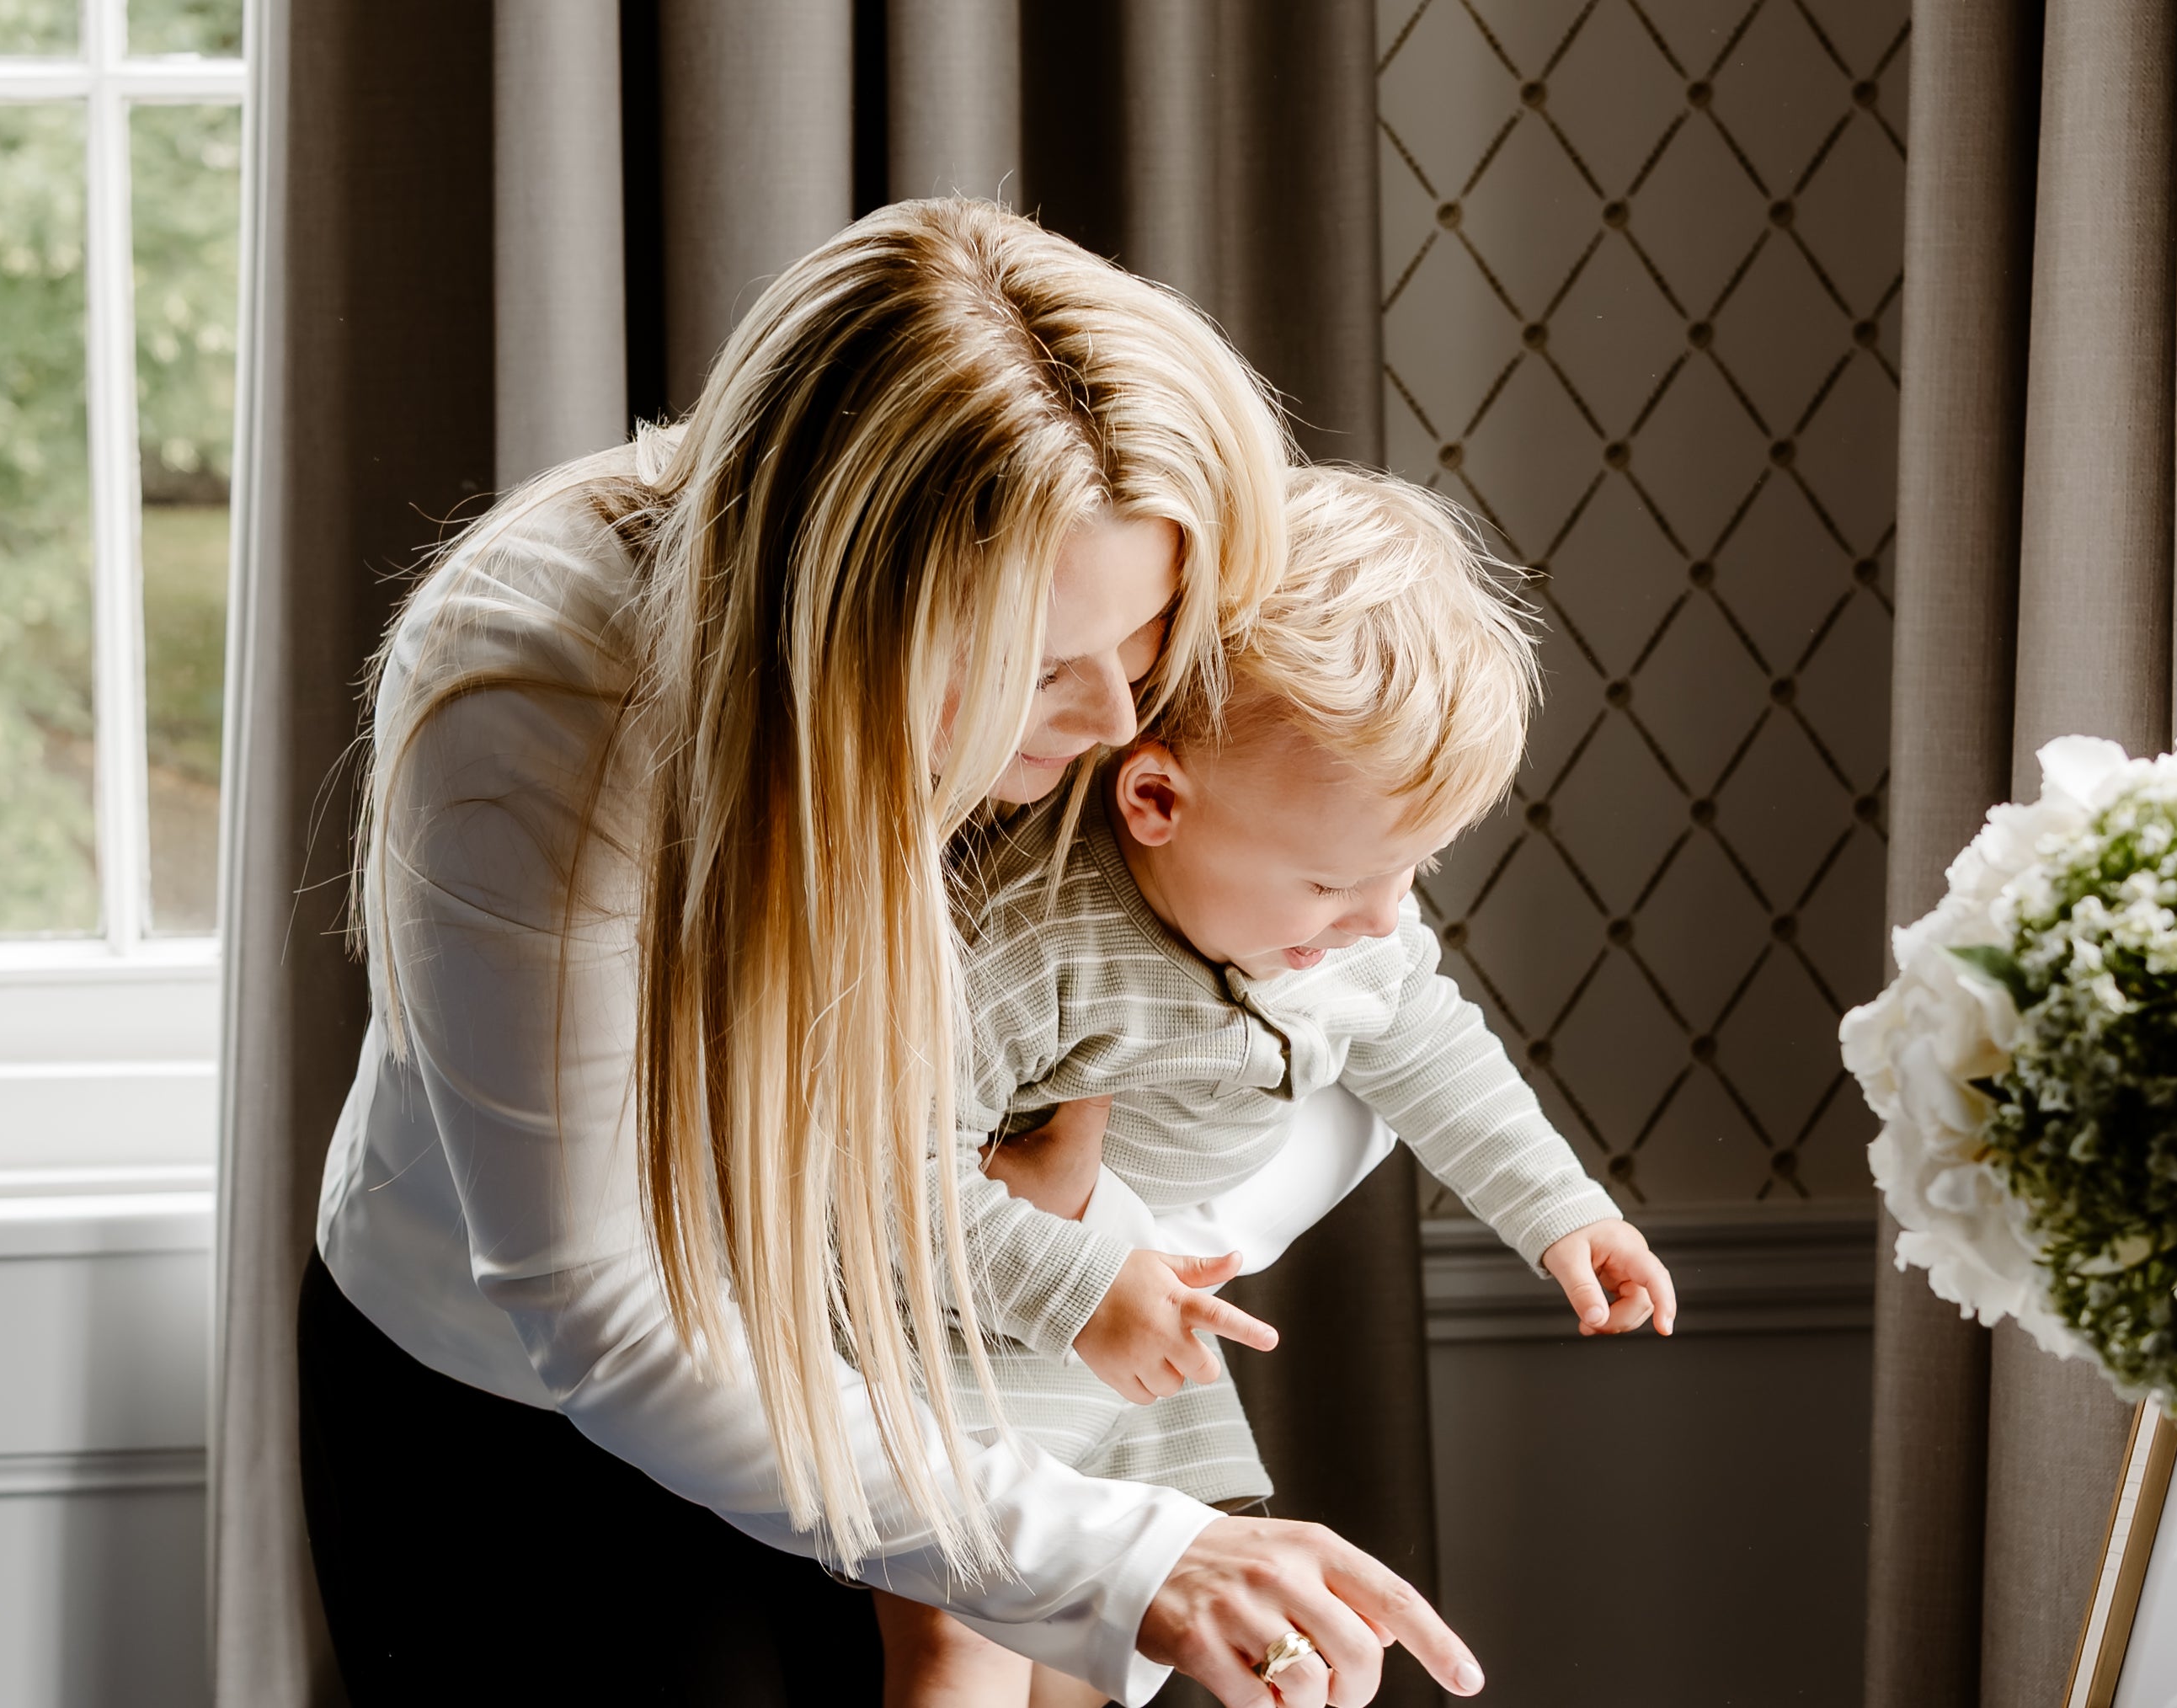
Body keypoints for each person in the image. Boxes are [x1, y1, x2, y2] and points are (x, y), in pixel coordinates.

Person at [295, 198, 1488, 1707]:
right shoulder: (540, 710)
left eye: (1147, 646)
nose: (1121, 725)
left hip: (911, 1381)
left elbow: (1357, 976)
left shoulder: (1103, 631)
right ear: (845, 625)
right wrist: (1128, 1557)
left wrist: (1154, 1233)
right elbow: (600, 1307)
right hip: (520, 1430)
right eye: (1043, 672)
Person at [874, 464, 1683, 1707]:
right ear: (1153, 798)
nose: (1377, 922)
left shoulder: (1340, 932)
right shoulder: (1025, 945)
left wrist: (1561, 1213)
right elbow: (883, 1185)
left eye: (1407, 875)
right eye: (1330, 885)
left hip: (1140, 1321)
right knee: (964, 1632)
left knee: (1103, 1634)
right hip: (984, 1326)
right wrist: (1087, 1286)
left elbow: (1432, 1046)